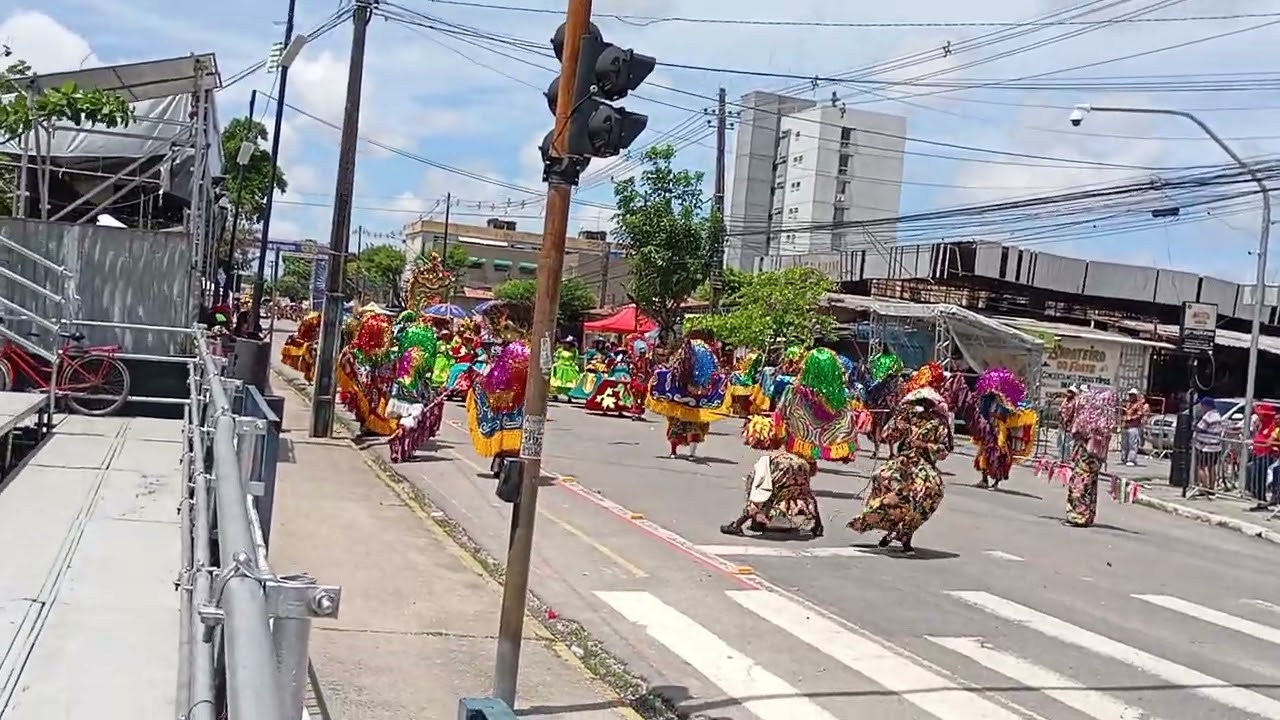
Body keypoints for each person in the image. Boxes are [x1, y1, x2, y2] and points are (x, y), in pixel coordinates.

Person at [846, 385, 953, 553]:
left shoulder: (939, 424)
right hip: (902, 462)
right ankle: (886, 525)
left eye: (926, 403)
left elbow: (944, 451)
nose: (922, 406)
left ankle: (904, 532)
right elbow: (886, 436)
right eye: (919, 402)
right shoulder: (907, 418)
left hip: (923, 465)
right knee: (882, 480)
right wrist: (898, 421)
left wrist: (924, 445)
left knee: (931, 491)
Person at [646, 335, 727, 457]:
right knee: (692, 427)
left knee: (677, 426)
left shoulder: (688, 352)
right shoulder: (706, 352)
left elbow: (674, 371)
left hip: (681, 399)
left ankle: (674, 452)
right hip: (694, 400)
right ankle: (691, 453)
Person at [972, 368, 1037, 489]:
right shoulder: (987, 398)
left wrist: (1003, 408)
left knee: (999, 456)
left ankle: (996, 482)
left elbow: (1010, 414)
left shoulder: (1007, 401)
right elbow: (981, 411)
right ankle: (984, 480)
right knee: (983, 455)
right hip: (988, 430)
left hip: (1000, 432)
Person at [1064, 387, 1117, 527]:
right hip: (1097, 455)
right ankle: (1088, 515)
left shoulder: (1088, 418)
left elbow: (1075, 428)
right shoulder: (1106, 420)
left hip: (1086, 453)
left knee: (1080, 483)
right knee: (1091, 484)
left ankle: (1078, 516)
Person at [1193, 396, 1224, 495]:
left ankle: (1205, 487)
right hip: (1216, 446)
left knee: (1200, 466)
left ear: (1207, 406)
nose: (1201, 407)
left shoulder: (1208, 416)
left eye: (1202, 405)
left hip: (1206, 447)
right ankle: (1212, 487)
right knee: (1211, 467)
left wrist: (1194, 425)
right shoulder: (1218, 415)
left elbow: (1199, 428)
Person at [1119, 388, 1149, 466]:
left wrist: (1131, 418)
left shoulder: (1138, 404)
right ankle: (1124, 458)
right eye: (1130, 395)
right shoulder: (1128, 404)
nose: (1130, 396)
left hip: (1133, 427)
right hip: (1126, 426)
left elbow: (1140, 414)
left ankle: (1131, 459)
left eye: (1132, 395)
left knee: (1132, 444)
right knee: (1124, 444)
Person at [1057, 386, 1080, 461]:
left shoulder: (1075, 402)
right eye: (1068, 391)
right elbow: (1060, 410)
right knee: (1060, 441)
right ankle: (1061, 457)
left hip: (1069, 425)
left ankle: (1066, 458)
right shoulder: (1065, 400)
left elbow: (1074, 414)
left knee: (1066, 442)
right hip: (1061, 424)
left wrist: (1068, 422)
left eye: (1071, 392)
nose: (1069, 394)